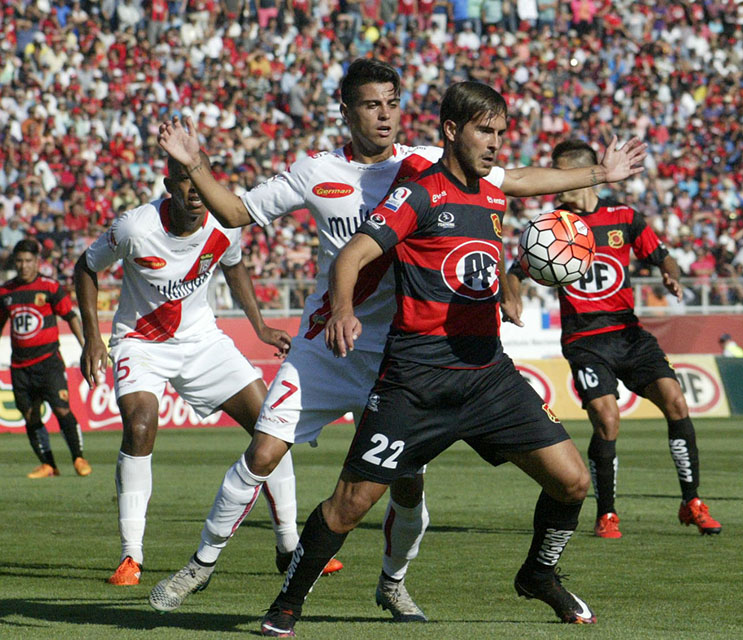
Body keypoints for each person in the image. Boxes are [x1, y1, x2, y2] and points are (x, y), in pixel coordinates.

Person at [151, 58, 646, 620]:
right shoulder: (319, 171)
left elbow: (521, 179)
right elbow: (238, 211)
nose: (384, 115)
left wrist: (599, 176)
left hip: (404, 351)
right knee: (267, 453)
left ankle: (394, 582)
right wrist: (195, 167)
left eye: (392, 103)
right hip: (333, 344)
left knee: (407, 490)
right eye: (371, 104)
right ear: (347, 109)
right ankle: (203, 564)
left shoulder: (427, 161)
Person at [258, 81, 601, 637]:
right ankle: (287, 604)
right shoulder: (419, 193)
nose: (494, 144)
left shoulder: (492, 193)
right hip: (415, 382)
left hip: (488, 376)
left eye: (500, 133)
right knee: (349, 506)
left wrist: (596, 177)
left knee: (572, 482)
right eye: (483, 131)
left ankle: (539, 574)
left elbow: (520, 189)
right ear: (450, 131)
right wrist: (343, 308)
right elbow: (354, 254)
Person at [73, 153, 309, 587]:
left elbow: (235, 266)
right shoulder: (135, 228)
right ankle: (131, 556)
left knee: (270, 425)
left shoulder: (224, 222)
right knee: (141, 426)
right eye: (184, 181)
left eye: (201, 180)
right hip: (141, 342)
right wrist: (92, 335)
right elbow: (86, 268)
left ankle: (289, 547)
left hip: (202, 340)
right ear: (169, 184)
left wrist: (259, 326)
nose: (195, 191)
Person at [505, 140, 722, 540]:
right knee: (607, 419)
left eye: (563, 174)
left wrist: (670, 272)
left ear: (583, 173)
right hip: (585, 339)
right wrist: (511, 292)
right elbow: (516, 270)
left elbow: (662, 255)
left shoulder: (624, 217)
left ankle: (692, 502)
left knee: (675, 401)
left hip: (628, 332)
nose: (557, 183)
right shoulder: (555, 224)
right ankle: (607, 513)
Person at [0, 238, 91, 478]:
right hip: (20, 366)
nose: (23, 266)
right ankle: (48, 464)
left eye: (28, 261)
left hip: (48, 362)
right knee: (30, 415)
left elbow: (70, 316)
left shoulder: (49, 287)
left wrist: (86, 344)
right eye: (19, 261)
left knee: (61, 409)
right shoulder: (5, 291)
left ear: (37, 262)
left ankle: (78, 458)